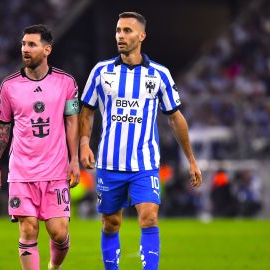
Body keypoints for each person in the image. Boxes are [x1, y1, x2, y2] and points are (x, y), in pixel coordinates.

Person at [79, 12, 202, 270]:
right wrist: (83, 143)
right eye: (118, 30)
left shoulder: (159, 75)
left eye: (127, 31)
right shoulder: (101, 71)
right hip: (109, 163)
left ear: (141, 36)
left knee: (149, 218)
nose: (121, 36)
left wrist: (191, 160)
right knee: (111, 223)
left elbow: (175, 118)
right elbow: (87, 111)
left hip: (144, 163)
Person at [0, 25, 80, 270]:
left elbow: (72, 122)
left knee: (59, 233)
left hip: (56, 169)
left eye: (31, 45)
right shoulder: (9, 86)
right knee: (28, 229)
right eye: (23, 45)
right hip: (21, 171)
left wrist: (75, 159)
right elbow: (2, 127)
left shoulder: (66, 83)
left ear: (47, 49)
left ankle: (54, 267)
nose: (25, 49)